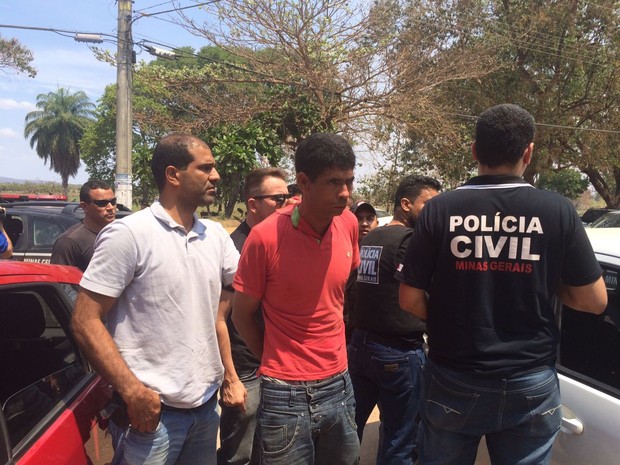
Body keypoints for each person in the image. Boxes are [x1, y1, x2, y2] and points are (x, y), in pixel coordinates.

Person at [397, 104, 608, 465]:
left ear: (475, 151)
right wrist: (543, 279)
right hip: (530, 380)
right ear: (528, 151)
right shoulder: (558, 211)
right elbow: (594, 301)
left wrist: (449, 321)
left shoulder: (438, 210)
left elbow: (409, 298)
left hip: (453, 375)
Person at [71, 132, 239, 465]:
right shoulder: (129, 234)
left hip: (205, 411)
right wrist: (131, 390)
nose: (216, 176)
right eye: (206, 168)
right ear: (173, 174)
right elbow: (85, 319)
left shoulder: (215, 235)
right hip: (151, 418)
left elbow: (251, 288)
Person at [232, 133, 361, 465]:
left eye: (349, 180)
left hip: (340, 384)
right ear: (303, 182)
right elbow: (241, 315)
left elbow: (341, 291)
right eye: (334, 182)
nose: (345, 193)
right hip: (283, 393)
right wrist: (275, 360)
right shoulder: (265, 238)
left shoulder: (348, 224)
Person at [349, 175, 440, 465]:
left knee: (351, 430)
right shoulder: (409, 241)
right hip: (397, 354)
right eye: (430, 205)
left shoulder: (373, 236)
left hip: (361, 347)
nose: (435, 212)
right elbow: (416, 295)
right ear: (406, 204)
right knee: (401, 438)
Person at [218, 167, 290, 465]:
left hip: (275, 367)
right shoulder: (237, 248)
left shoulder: (281, 241)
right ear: (252, 204)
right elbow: (219, 319)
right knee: (241, 455)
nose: (286, 205)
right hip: (246, 370)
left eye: (288, 197)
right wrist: (230, 378)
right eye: (278, 199)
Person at [50, 180, 116, 271]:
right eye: (102, 203)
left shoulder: (120, 233)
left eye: (113, 201)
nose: (110, 207)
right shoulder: (69, 242)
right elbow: (60, 281)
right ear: (84, 206)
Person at [344, 200, 379, 342]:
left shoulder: (386, 251)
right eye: (359, 218)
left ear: (377, 222)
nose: (364, 223)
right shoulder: (340, 250)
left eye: (370, 218)